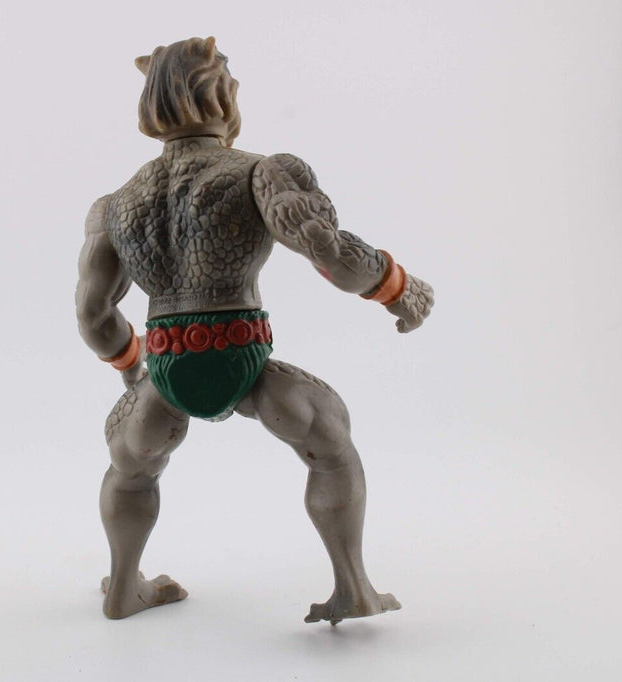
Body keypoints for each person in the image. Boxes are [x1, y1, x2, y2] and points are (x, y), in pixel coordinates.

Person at [75, 37, 434, 624]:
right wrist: (398, 287)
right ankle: (354, 589)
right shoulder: (262, 172)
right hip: (243, 357)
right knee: (332, 449)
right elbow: (329, 254)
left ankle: (123, 589)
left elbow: (94, 317)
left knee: (130, 471)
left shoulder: (115, 205)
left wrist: (133, 365)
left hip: (165, 369)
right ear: (217, 91)